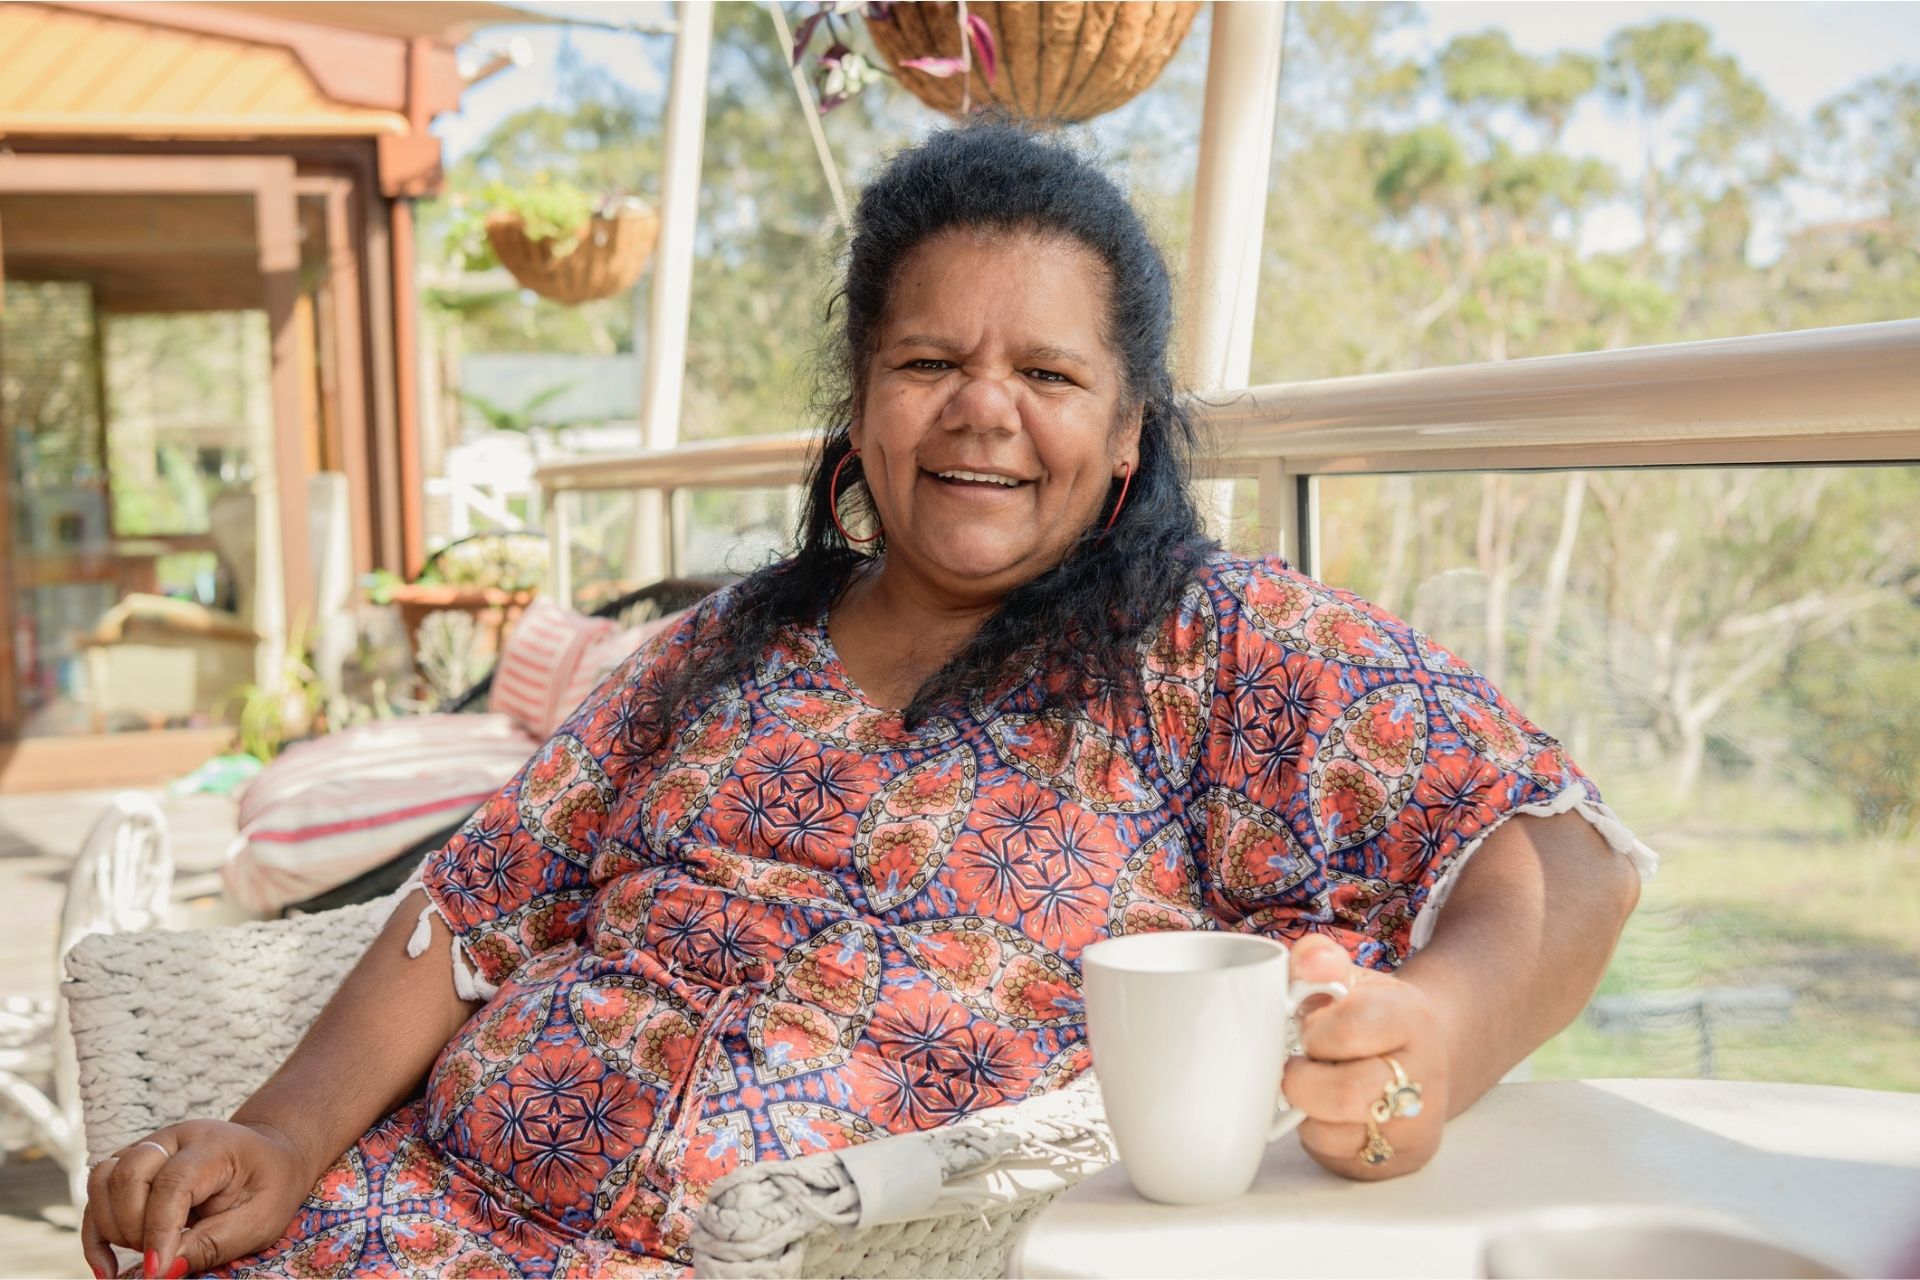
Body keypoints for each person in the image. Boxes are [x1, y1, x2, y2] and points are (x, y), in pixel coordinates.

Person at [80, 122, 1651, 1279]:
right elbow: (473, 907)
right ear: (861, 399)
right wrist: (284, 1140)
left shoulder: (1215, 654)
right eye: (926, 362)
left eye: (1047, 373)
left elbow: (1561, 850)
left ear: (1123, 438)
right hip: (400, 1221)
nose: (983, 409)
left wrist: (1438, 1032)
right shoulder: (719, 649)